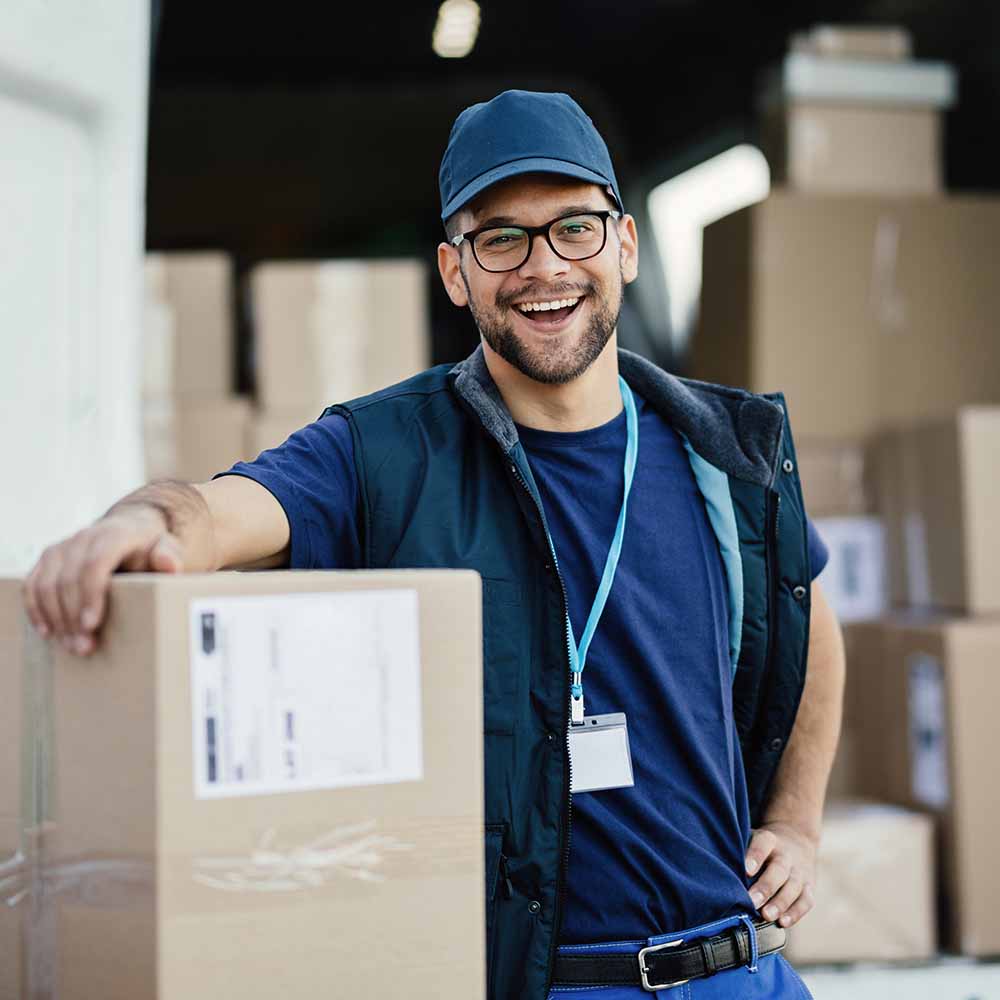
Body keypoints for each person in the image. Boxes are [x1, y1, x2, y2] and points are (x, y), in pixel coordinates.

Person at [24, 90, 843, 1000]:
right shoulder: (383, 454)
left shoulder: (723, 454)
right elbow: (214, 514)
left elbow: (815, 627)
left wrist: (798, 823)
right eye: (501, 239)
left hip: (744, 971)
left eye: (574, 228)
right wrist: (139, 522)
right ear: (456, 272)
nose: (543, 268)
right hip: (548, 984)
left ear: (625, 246)